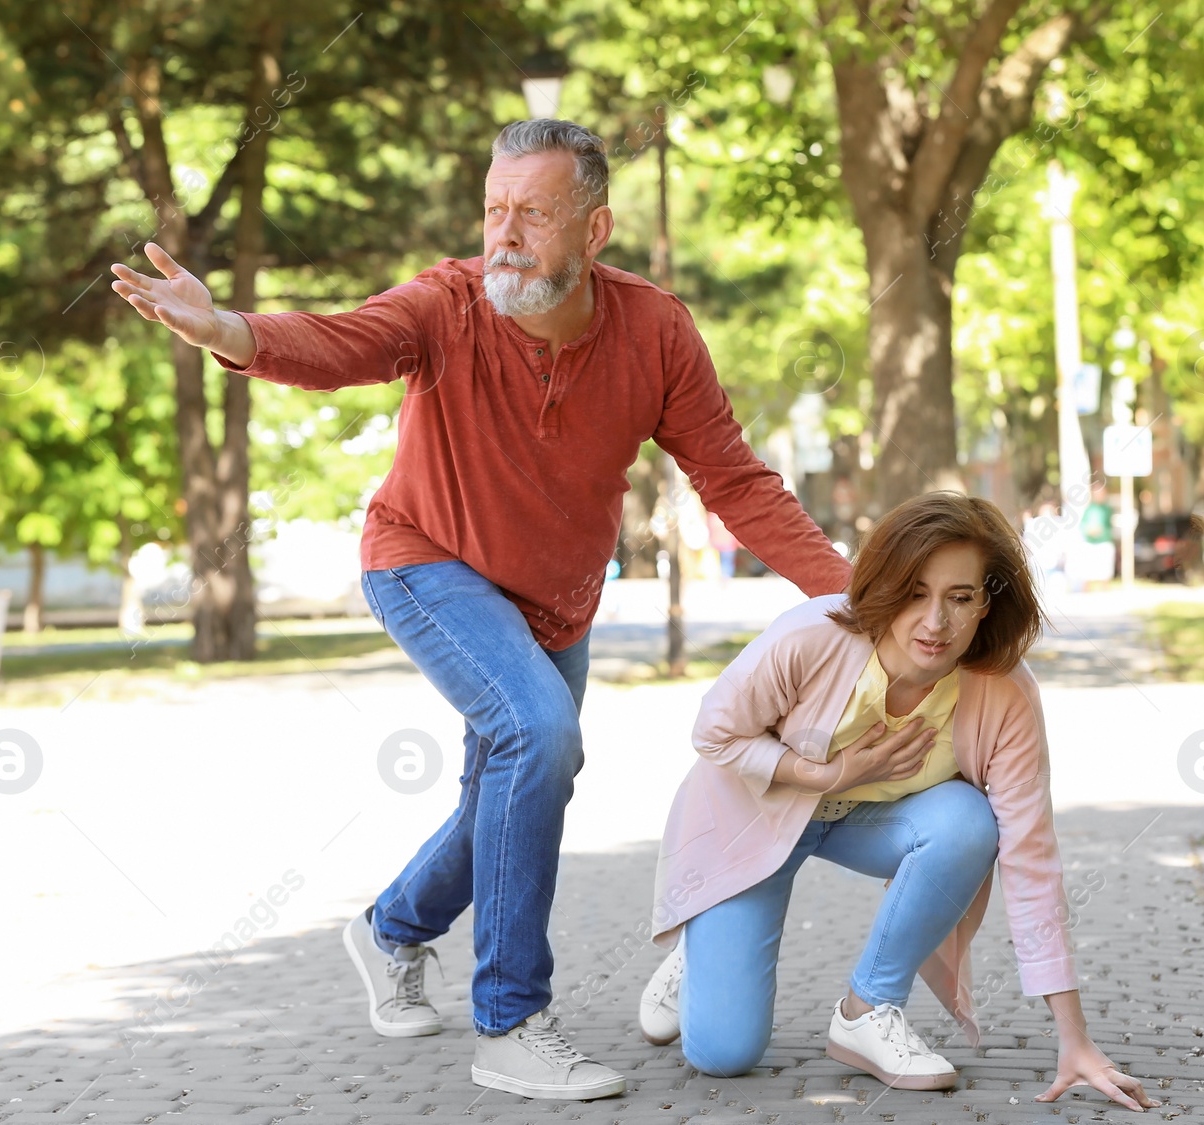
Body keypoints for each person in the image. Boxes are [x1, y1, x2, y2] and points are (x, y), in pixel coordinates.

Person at [109, 119, 850, 1101]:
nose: (503, 232)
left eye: (532, 214)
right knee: (540, 739)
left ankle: (389, 929)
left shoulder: (655, 330)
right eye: (494, 209)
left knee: (511, 787)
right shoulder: (445, 304)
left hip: (556, 601)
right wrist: (228, 332)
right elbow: (338, 344)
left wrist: (853, 595)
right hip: (426, 560)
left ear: (594, 231)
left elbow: (735, 481)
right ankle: (509, 1021)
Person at [638, 492, 1161, 1111]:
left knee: (970, 822)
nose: (934, 621)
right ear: (886, 585)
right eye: (915, 592)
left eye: (959, 597)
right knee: (723, 1055)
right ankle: (701, 948)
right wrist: (822, 773)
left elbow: (1031, 856)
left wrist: (1074, 1038)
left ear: (987, 602)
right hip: (759, 817)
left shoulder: (1005, 693)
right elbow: (714, 734)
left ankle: (866, 1011)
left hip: (874, 823)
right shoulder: (813, 635)